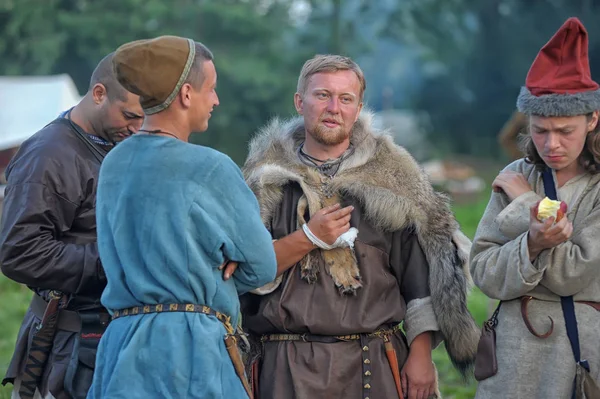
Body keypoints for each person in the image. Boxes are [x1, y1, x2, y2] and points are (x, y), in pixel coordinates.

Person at [240, 54, 480, 399]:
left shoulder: (393, 181)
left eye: (345, 98)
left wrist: (422, 356)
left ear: (358, 107)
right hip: (284, 365)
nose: (333, 107)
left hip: (373, 365)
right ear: (299, 102)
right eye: (322, 95)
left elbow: (419, 279)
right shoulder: (264, 183)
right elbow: (244, 274)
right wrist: (308, 237)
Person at [85, 36, 277, 399]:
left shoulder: (114, 163)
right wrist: (213, 269)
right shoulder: (211, 167)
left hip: (122, 348)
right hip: (190, 352)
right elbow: (262, 266)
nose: (216, 100)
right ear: (187, 94)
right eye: (212, 89)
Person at [0, 52, 143, 399]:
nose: (137, 128)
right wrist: (116, 264)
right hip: (65, 352)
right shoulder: (48, 154)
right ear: (98, 94)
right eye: (129, 115)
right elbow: (19, 251)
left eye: (143, 118)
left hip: (108, 344)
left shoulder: (115, 146)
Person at [471, 17, 600, 398]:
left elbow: (572, 273)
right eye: (540, 130)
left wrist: (527, 204)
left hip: (580, 351)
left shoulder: (594, 187)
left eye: (565, 131)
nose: (551, 144)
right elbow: (483, 270)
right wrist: (531, 244)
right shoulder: (515, 173)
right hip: (513, 355)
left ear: (593, 119)